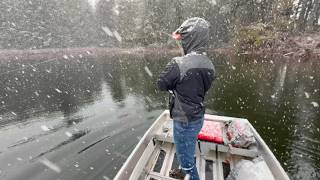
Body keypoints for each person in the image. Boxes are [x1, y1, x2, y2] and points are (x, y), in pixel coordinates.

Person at [157, 17, 216, 180]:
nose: (181, 42)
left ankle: (188, 171)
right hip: (198, 117)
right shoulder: (209, 64)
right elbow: (204, 86)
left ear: (190, 39)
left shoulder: (178, 63)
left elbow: (161, 84)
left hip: (183, 121)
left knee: (186, 157)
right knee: (188, 150)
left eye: (183, 39)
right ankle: (183, 169)